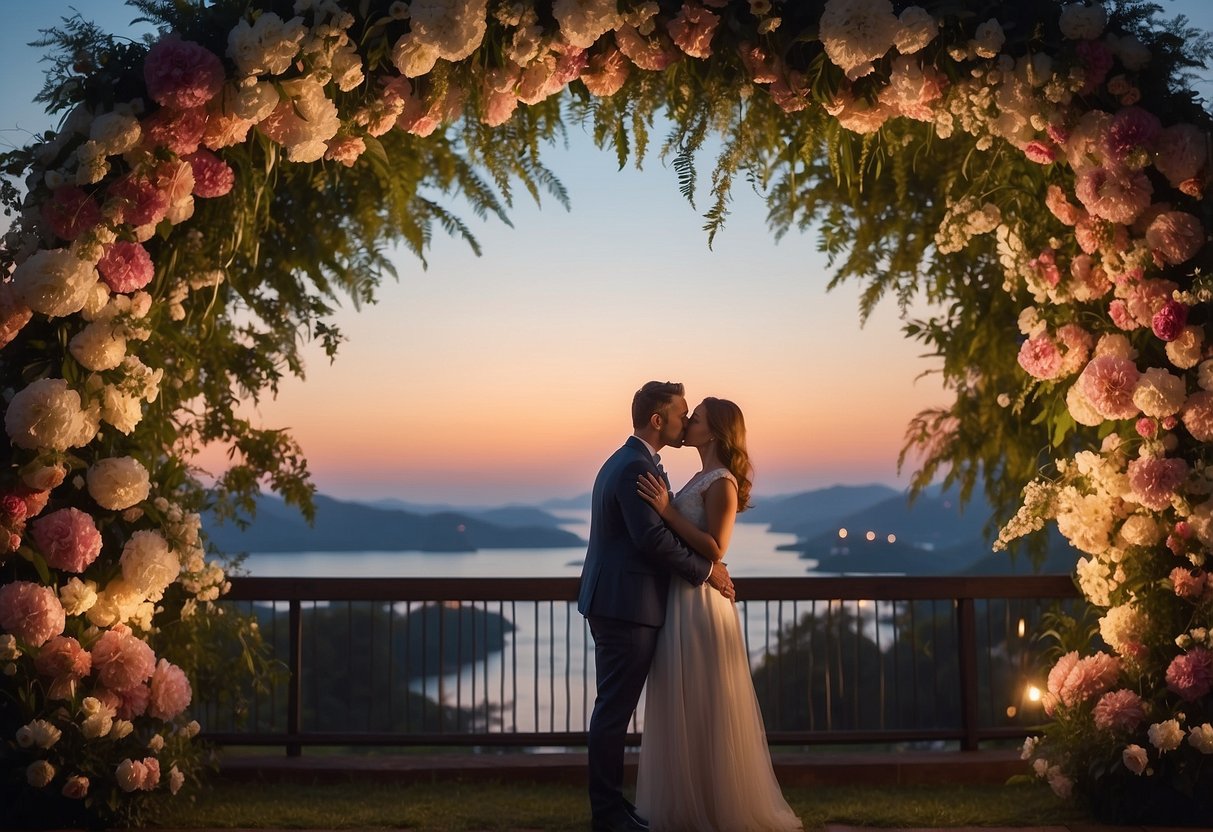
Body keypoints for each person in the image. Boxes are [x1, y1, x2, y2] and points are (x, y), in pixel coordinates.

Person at [634, 397, 803, 832]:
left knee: (706, 700)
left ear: (713, 432)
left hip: (700, 606)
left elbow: (715, 548)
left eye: (698, 418)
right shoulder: (699, 476)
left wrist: (667, 510)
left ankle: (715, 805)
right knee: (682, 699)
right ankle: (685, 802)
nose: (688, 422)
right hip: (681, 597)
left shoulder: (722, 483)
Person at [578, 381, 736, 832]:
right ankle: (607, 813)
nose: (686, 422)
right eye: (682, 413)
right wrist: (707, 572)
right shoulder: (634, 467)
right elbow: (650, 539)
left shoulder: (631, 461)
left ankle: (613, 805)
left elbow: (660, 530)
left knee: (614, 708)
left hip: (621, 603)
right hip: (626, 606)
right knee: (614, 710)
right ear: (657, 419)